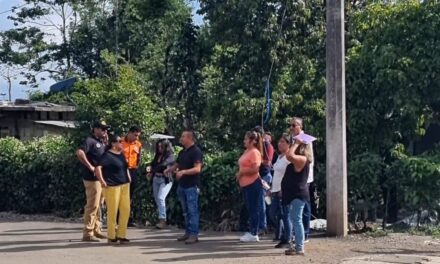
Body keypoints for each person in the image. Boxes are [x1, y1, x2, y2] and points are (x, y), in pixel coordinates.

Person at [165, 130, 203, 244]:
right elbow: (178, 164)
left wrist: (183, 172)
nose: (181, 138)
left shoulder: (196, 151)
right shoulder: (182, 152)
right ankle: (187, 232)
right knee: (185, 211)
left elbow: (197, 169)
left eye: (183, 136)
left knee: (192, 211)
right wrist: (170, 169)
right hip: (182, 185)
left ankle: (194, 234)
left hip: (192, 186)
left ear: (190, 138)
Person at [76, 121, 109, 242]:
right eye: (102, 129)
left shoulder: (101, 142)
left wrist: (106, 142)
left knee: (100, 205)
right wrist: (90, 167)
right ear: (95, 129)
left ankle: (96, 229)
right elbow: (79, 152)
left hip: (100, 178)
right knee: (92, 205)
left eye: (106, 129)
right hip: (92, 179)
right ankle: (88, 232)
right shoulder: (90, 141)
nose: (105, 131)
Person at [95, 134, 132, 244]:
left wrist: (128, 176)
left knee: (126, 210)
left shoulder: (121, 154)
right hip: (112, 186)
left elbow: (125, 167)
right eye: (119, 141)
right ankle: (111, 236)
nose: (121, 143)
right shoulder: (107, 155)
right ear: (113, 144)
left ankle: (121, 235)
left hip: (125, 185)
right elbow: (98, 168)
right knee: (113, 211)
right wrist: (102, 181)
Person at [282, 138, 313, 256]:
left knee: (297, 220)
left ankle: (300, 248)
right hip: (293, 194)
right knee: (295, 219)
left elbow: (289, 155)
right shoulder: (299, 161)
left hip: (298, 194)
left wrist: (297, 143)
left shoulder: (303, 159)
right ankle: (296, 246)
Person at [290, 117, 315, 242]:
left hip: (304, 176)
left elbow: (306, 158)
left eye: (294, 125)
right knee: (296, 210)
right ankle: (298, 234)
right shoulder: (294, 140)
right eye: (291, 125)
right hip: (296, 176)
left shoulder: (304, 139)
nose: (292, 128)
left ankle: (305, 233)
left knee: (304, 206)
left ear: (300, 126)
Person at [237, 131, 264, 242]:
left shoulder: (255, 152)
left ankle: (254, 232)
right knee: (249, 208)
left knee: (254, 208)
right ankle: (251, 230)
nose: (244, 141)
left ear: (253, 141)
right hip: (245, 184)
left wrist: (242, 171)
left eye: (246, 139)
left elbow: (255, 169)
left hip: (253, 183)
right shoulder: (247, 151)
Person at [269, 134, 292, 248]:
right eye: (279, 141)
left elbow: (289, 175)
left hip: (283, 190)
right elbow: (276, 174)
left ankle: (287, 238)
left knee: (285, 215)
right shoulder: (279, 157)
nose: (279, 144)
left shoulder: (289, 157)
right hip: (275, 189)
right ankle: (283, 234)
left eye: (283, 142)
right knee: (273, 214)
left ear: (289, 144)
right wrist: (271, 188)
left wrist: (284, 188)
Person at [148, 139, 175, 229]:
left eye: (161, 147)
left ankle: (162, 220)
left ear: (166, 147)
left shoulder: (170, 156)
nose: (159, 148)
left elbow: (163, 165)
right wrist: (148, 167)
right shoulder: (158, 155)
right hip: (156, 178)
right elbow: (153, 164)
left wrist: (152, 170)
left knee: (160, 198)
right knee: (157, 199)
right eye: (158, 146)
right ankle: (160, 218)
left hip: (165, 180)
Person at [253, 126, 274, 233]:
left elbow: (268, 162)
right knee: (258, 202)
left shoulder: (267, 145)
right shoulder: (256, 146)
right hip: (257, 176)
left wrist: (257, 160)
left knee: (263, 202)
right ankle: (260, 224)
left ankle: (264, 225)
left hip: (265, 176)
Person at [121, 126, 142, 227]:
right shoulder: (120, 142)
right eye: (135, 135)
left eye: (138, 136)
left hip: (133, 170)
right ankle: (118, 219)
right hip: (121, 171)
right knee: (120, 195)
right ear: (129, 133)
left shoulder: (138, 144)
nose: (136, 138)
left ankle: (128, 219)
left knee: (130, 196)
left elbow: (139, 157)